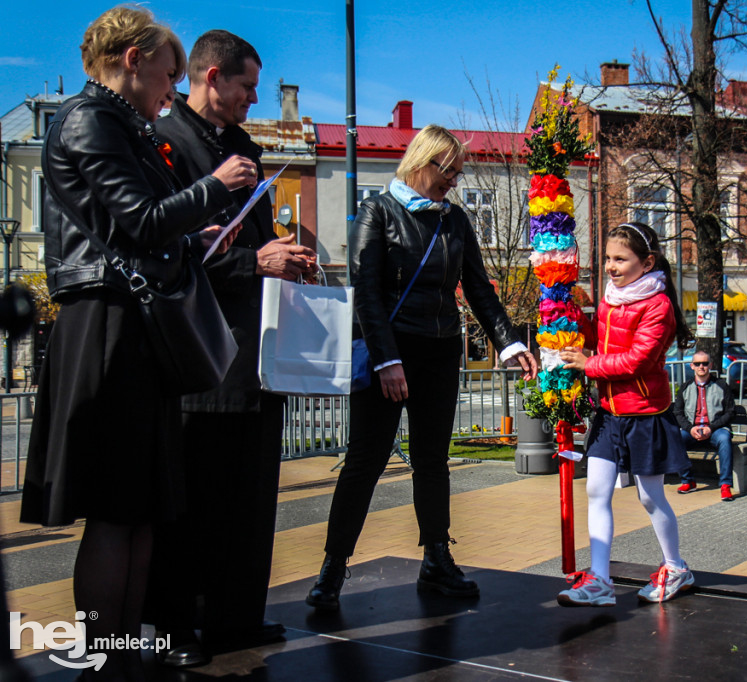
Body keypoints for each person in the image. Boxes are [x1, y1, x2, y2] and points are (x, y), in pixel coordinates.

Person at [19, 7, 254, 679]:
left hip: (134, 324)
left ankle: (127, 652)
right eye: (169, 73)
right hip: (107, 327)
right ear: (132, 59)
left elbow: (141, 228)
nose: (173, 89)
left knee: (143, 506)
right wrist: (214, 189)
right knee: (118, 510)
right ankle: (106, 656)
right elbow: (140, 220)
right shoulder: (93, 120)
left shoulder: (124, 125)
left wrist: (195, 237)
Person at [306, 125, 538, 610]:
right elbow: (365, 292)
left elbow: (479, 289)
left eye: (458, 171)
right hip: (389, 351)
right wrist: (388, 359)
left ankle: (436, 557)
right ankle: (332, 566)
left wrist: (509, 342)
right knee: (365, 461)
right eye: (447, 170)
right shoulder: (377, 211)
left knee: (432, 459)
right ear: (422, 161)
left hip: (440, 351)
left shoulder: (454, 220)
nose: (454, 180)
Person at [144, 30, 317, 666]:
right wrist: (254, 261)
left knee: (250, 494)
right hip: (199, 353)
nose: (253, 98)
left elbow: (259, 238)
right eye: (245, 85)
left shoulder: (245, 146)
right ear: (211, 76)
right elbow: (166, 253)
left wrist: (285, 255)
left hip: (256, 353)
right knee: (195, 498)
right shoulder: (166, 143)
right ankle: (175, 624)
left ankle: (235, 616)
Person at [557, 222, 694, 605]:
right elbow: (598, 338)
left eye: (621, 259)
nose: (611, 266)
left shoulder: (658, 304)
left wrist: (589, 364)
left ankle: (677, 567)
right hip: (609, 414)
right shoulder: (610, 297)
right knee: (597, 491)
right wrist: (569, 320)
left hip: (645, 413)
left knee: (651, 497)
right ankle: (600, 580)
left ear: (647, 262)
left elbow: (638, 360)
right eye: (607, 259)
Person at [674, 350, 736, 501]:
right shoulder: (685, 387)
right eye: (697, 363)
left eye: (705, 363)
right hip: (692, 430)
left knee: (724, 439)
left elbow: (730, 412)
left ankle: (725, 485)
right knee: (675, 439)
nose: (701, 366)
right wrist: (690, 428)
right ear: (692, 366)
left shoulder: (721, 386)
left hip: (715, 430)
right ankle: (688, 481)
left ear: (710, 365)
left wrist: (711, 428)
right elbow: (678, 412)